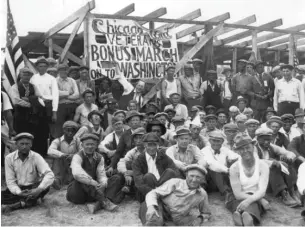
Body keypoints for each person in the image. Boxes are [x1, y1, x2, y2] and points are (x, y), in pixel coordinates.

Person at [139, 164, 211, 226]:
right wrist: (151, 206)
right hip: (161, 208)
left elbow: (206, 213)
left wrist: (199, 219)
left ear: (202, 179)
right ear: (186, 176)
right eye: (191, 176)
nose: (194, 180)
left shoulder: (202, 193)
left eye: (198, 177)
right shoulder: (175, 183)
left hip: (177, 218)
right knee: (152, 218)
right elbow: (153, 193)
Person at [2, 133, 54, 213]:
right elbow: (10, 181)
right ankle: (28, 201)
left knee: (46, 187)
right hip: (18, 189)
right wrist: (19, 192)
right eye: (21, 144)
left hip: (33, 188)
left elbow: (49, 174)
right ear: (16, 144)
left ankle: (18, 204)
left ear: (31, 145)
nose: (24, 147)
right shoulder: (9, 158)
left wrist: (38, 189)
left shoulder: (36, 156)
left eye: (27, 144)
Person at [66, 133, 117, 214]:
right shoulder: (77, 156)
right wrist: (93, 182)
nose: (90, 147)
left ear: (96, 145)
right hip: (77, 193)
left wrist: (103, 183)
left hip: (92, 192)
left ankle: (96, 204)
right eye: (87, 144)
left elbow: (101, 174)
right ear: (82, 145)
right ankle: (104, 201)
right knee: (82, 179)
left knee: (112, 179)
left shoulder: (99, 157)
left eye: (92, 144)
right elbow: (77, 174)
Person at [226, 134, 269, 226]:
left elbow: (262, 191)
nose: (245, 151)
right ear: (237, 151)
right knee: (244, 202)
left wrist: (250, 200)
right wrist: (259, 200)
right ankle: (249, 218)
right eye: (241, 149)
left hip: (258, 194)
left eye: (247, 147)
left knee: (251, 204)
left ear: (253, 147)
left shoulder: (263, 166)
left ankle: (243, 216)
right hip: (239, 197)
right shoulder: (234, 168)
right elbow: (238, 194)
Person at [254, 128, 300, 207]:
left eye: (268, 140)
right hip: (258, 177)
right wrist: (271, 162)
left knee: (288, 165)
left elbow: (288, 153)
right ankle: (284, 195)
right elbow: (255, 161)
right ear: (258, 139)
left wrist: (289, 158)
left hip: (270, 178)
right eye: (264, 140)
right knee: (274, 168)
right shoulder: (253, 147)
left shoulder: (270, 146)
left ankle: (291, 192)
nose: (266, 142)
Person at [132, 133, 178, 202]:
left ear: (158, 145)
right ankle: (155, 199)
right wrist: (154, 193)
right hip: (147, 190)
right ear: (145, 145)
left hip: (163, 187)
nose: (152, 148)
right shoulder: (138, 160)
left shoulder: (163, 156)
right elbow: (139, 183)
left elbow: (175, 170)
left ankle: (165, 197)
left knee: (170, 171)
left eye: (154, 145)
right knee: (148, 176)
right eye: (149, 145)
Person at [29, 56, 59, 156]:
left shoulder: (52, 79)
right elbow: (31, 93)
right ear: (37, 67)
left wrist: (54, 112)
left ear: (47, 67)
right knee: (36, 129)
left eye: (44, 66)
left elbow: (55, 95)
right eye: (40, 66)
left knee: (45, 130)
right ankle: (35, 152)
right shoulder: (33, 78)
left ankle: (44, 152)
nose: (42, 68)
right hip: (36, 106)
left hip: (48, 106)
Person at [202, 131, 239, 200]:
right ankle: (226, 193)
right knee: (214, 169)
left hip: (223, 178)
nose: (216, 143)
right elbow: (212, 163)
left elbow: (236, 157)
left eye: (218, 141)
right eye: (214, 141)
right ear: (210, 141)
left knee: (235, 163)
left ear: (222, 142)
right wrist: (227, 170)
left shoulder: (225, 149)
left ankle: (238, 189)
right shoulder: (205, 150)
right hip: (210, 182)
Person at [106, 111, 143, 176]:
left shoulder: (145, 133)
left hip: (142, 161)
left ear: (140, 122)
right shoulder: (125, 134)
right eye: (132, 120)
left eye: (137, 120)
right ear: (128, 123)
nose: (135, 122)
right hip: (126, 161)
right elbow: (118, 152)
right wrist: (112, 166)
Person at [115, 127, 146, 202]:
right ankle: (116, 199)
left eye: (141, 138)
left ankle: (129, 187)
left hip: (146, 176)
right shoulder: (133, 151)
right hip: (135, 175)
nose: (138, 141)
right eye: (136, 138)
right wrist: (126, 173)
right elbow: (122, 162)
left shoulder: (149, 150)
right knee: (127, 165)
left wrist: (134, 173)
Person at [47, 121, 80, 189]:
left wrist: (74, 156)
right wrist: (62, 155)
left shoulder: (77, 141)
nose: (70, 133)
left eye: (72, 131)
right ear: (64, 130)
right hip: (61, 163)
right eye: (68, 130)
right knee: (57, 160)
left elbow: (83, 151)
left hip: (73, 162)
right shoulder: (57, 140)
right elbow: (50, 151)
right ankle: (57, 181)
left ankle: (72, 180)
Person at [9, 68, 39, 134]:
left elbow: (39, 98)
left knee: (31, 134)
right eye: (24, 75)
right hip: (19, 115)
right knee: (20, 134)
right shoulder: (15, 87)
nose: (26, 76)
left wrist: (29, 99)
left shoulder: (34, 86)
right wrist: (30, 104)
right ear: (20, 75)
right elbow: (16, 101)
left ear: (31, 76)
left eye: (28, 75)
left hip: (32, 116)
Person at [53, 64, 79, 138]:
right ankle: (60, 143)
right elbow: (55, 93)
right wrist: (68, 93)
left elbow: (77, 95)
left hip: (72, 106)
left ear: (67, 71)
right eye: (61, 70)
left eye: (65, 70)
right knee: (60, 127)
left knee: (72, 125)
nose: (63, 71)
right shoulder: (54, 81)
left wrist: (63, 95)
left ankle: (71, 141)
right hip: (60, 106)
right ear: (58, 71)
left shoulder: (72, 80)